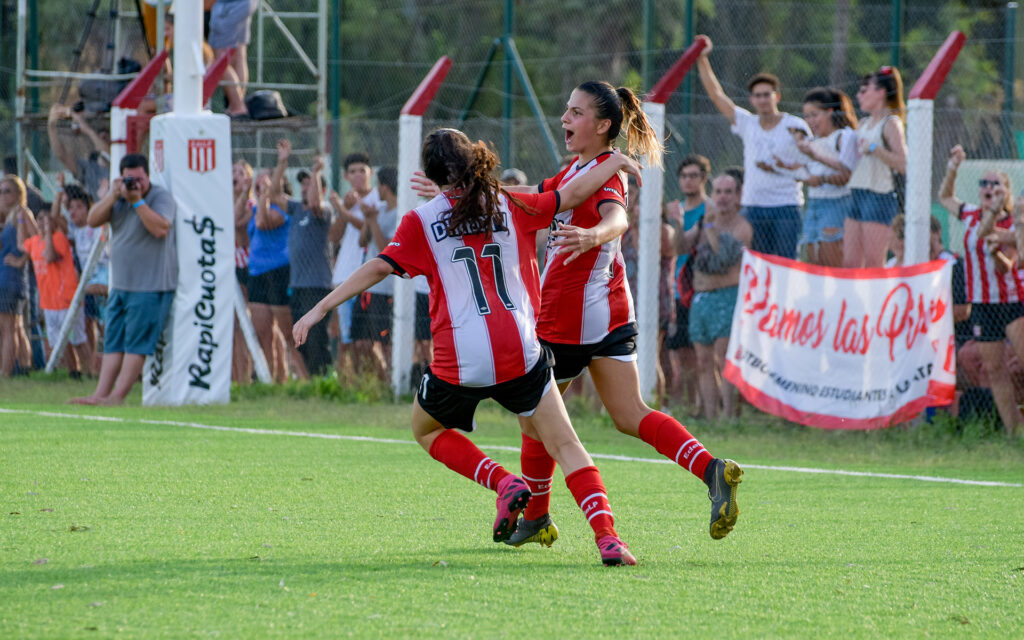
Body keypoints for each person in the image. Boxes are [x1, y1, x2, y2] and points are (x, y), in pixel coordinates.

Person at [294, 128, 644, 566]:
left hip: (462, 359)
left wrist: (319, 309)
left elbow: (376, 268)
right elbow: (570, 196)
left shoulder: (422, 219)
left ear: (433, 176)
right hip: (521, 348)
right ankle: (608, 539)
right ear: (476, 158)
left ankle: (503, 483)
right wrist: (615, 162)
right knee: (567, 444)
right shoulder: (509, 201)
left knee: (425, 429)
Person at [507, 81, 743, 546]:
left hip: (570, 320)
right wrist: (470, 188)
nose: (564, 120)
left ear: (603, 125)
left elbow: (617, 219)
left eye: (575, 113)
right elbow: (534, 193)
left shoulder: (605, 175)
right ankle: (713, 471)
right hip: (610, 311)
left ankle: (535, 516)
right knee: (629, 413)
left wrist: (595, 235)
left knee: (536, 417)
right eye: (567, 110)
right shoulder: (582, 168)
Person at [69, 153, 176, 405]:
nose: (134, 184)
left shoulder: (159, 197)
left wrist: (138, 202)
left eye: (139, 178)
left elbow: (161, 228)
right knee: (114, 341)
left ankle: (118, 396)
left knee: (136, 343)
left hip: (150, 286)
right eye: (129, 179)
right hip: (120, 285)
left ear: (147, 176)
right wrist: (113, 196)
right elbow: (92, 220)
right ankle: (100, 395)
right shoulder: (118, 198)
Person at [694, 35, 810, 259]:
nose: (763, 100)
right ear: (752, 99)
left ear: (777, 96)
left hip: (786, 206)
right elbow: (717, 96)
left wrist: (779, 168)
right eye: (758, 96)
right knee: (754, 264)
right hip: (753, 206)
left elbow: (809, 168)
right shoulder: (748, 123)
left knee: (785, 264)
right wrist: (702, 59)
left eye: (767, 94)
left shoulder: (795, 125)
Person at [939, 144, 1023, 435]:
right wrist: (953, 168)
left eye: (995, 183)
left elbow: (1008, 267)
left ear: (1006, 191)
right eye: (984, 183)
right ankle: (1015, 433)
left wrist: (995, 253)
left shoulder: (1014, 223)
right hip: (982, 304)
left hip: (1012, 302)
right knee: (995, 370)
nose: (988, 187)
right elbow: (945, 197)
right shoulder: (971, 214)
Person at [678, 172, 752, 420]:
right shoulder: (703, 221)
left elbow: (723, 261)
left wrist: (709, 229)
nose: (722, 198)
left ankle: (729, 417)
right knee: (703, 362)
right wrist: (678, 223)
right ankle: (711, 418)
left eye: (728, 192)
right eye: (718, 191)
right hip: (701, 299)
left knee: (724, 359)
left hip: (726, 297)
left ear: (738, 196)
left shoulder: (742, 227)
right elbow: (679, 247)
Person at [248, 141, 305, 382]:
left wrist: (264, 195)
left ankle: (300, 377)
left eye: (265, 180)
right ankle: (273, 380)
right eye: (259, 181)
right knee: (263, 332)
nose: (261, 184)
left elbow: (263, 222)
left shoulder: (283, 207)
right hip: (256, 272)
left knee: (287, 332)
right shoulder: (254, 207)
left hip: (279, 271)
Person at [782, 88, 858, 267]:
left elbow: (847, 174)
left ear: (830, 112)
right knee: (814, 261)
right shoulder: (812, 141)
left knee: (833, 264)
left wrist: (822, 179)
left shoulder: (842, 137)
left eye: (815, 115)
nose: (810, 121)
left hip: (837, 203)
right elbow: (805, 171)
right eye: (807, 116)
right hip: (814, 203)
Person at [846, 66, 907, 268]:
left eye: (865, 90)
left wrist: (876, 149)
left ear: (881, 92)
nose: (859, 95)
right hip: (857, 192)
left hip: (878, 195)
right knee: (851, 262)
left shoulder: (891, 123)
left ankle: (877, 300)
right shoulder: (863, 123)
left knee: (873, 262)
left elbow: (904, 164)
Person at [23, 204, 92, 377]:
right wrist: (22, 217)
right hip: (48, 301)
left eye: (46, 219)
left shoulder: (59, 238)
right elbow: (22, 244)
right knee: (59, 342)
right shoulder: (36, 241)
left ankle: (90, 372)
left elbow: (51, 256)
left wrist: (48, 229)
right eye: (39, 219)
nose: (42, 222)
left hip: (66, 299)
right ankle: (73, 372)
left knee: (78, 339)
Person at [667, 154, 711, 411]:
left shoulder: (711, 209)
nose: (688, 181)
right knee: (681, 353)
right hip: (679, 288)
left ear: (704, 178)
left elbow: (689, 243)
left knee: (702, 354)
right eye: (684, 176)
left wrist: (680, 224)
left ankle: (702, 406)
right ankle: (683, 406)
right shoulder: (678, 210)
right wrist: (678, 221)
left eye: (694, 176)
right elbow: (676, 248)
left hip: (702, 287)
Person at [328, 152, 377, 378]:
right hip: (344, 275)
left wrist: (342, 210)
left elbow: (365, 231)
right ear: (346, 176)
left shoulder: (378, 198)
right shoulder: (347, 202)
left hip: (370, 277)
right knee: (345, 338)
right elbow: (334, 236)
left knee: (367, 339)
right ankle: (348, 383)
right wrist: (343, 211)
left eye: (362, 171)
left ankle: (371, 380)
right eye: (353, 171)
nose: (358, 175)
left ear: (371, 173)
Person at [284, 149, 331, 378]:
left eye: (310, 184)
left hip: (318, 286)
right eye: (302, 184)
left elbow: (314, 203)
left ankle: (323, 378)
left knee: (317, 336)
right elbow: (273, 195)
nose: (304, 188)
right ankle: (311, 380)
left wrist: (316, 171)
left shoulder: (323, 212)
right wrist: (282, 162)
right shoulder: (294, 209)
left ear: (322, 189)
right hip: (299, 286)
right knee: (300, 338)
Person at [351, 166, 399, 380]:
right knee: (361, 342)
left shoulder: (400, 213)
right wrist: (368, 219)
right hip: (366, 286)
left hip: (385, 287)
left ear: (385, 186)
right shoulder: (377, 209)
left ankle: (392, 381)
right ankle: (376, 381)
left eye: (378, 185)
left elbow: (386, 250)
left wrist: (371, 220)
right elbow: (363, 241)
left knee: (386, 342)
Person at [62, 178, 107, 373]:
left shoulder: (97, 226)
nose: (73, 211)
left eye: (79, 207)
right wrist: (58, 192)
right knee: (88, 324)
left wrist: (102, 196)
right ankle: (91, 369)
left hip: (103, 277)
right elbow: (57, 217)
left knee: (107, 325)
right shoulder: (74, 231)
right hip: (87, 281)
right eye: (71, 208)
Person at [0, 175, 36, 376]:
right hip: (6, 276)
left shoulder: (22, 213)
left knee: (7, 328)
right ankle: (24, 367)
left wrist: (22, 260)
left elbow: (36, 238)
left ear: (18, 194)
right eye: (1, 191)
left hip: (11, 278)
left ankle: (5, 372)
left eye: (8, 191)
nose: (3, 195)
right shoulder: (9, 216)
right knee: (16, 326)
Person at [207, 0, 259, 118]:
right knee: (239, 54)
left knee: (219, 57)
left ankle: (237, 106)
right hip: (246, 3)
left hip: (230, 5)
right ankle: (236, 104)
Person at [46, 104, 110, 200]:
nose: (102, 136)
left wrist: (88, 129)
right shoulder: (89, 167)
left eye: (106, 131)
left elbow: (107, 154)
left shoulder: (118, 161)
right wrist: (52, 125)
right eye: (99, 132)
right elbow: (61, 154)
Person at [232, 160, 254, 383]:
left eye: (241, 173)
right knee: (231, 325)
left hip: (244, 264)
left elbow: (237, 226)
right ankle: (233, 377)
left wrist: (244, 193)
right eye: (233, 172)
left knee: (243, 323)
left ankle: (245, 376)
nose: (236, 176)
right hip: (227, 264)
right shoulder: (222, 200)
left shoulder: (250, 205)